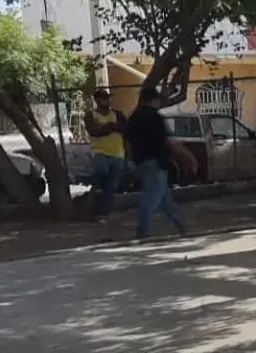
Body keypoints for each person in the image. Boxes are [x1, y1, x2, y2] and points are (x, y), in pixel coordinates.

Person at [125, 86, 198, 240]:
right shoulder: (154, 117)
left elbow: (127, 142)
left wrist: (131, 160)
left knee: (165, 199)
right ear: (154, 100)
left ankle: (183, 226)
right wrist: (188, 157)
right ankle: (143, 231)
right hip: (156, 161)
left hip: (141, 162)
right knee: (151, 198)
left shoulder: (133, 117)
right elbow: (170, 141)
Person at [83, 88, 127, 223]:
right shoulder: (90, 115)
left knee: (110, 188)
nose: (107, 101)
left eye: (108, 98)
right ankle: (96, 186)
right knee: (101, 170)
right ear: (97, 100)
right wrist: (111, 127)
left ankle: (103, 214)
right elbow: (94, 132)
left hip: (117, 153)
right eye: (103, 98)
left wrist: (106, 127)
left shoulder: (117, 114)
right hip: (99, 152)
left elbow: (125, 128)